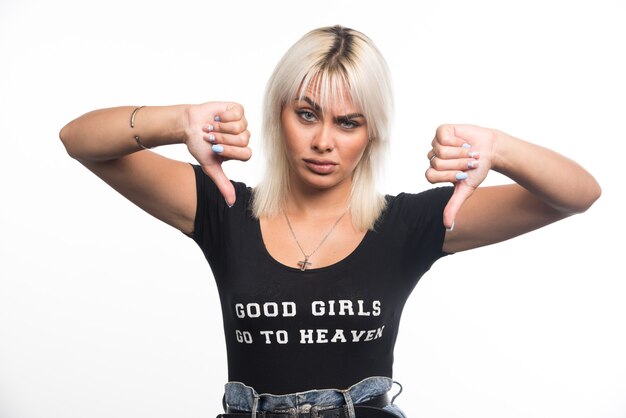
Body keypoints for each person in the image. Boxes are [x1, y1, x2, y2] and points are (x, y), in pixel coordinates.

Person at [59, 25, 600, 418]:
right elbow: (79, 140)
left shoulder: (408, 223)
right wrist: (175, 122)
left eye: (348, 123)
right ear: (280, 114)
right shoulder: (224, 209)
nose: (323, 141)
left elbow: (577, 195)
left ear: (372, 134)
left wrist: (500, 149)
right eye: (307, 114)